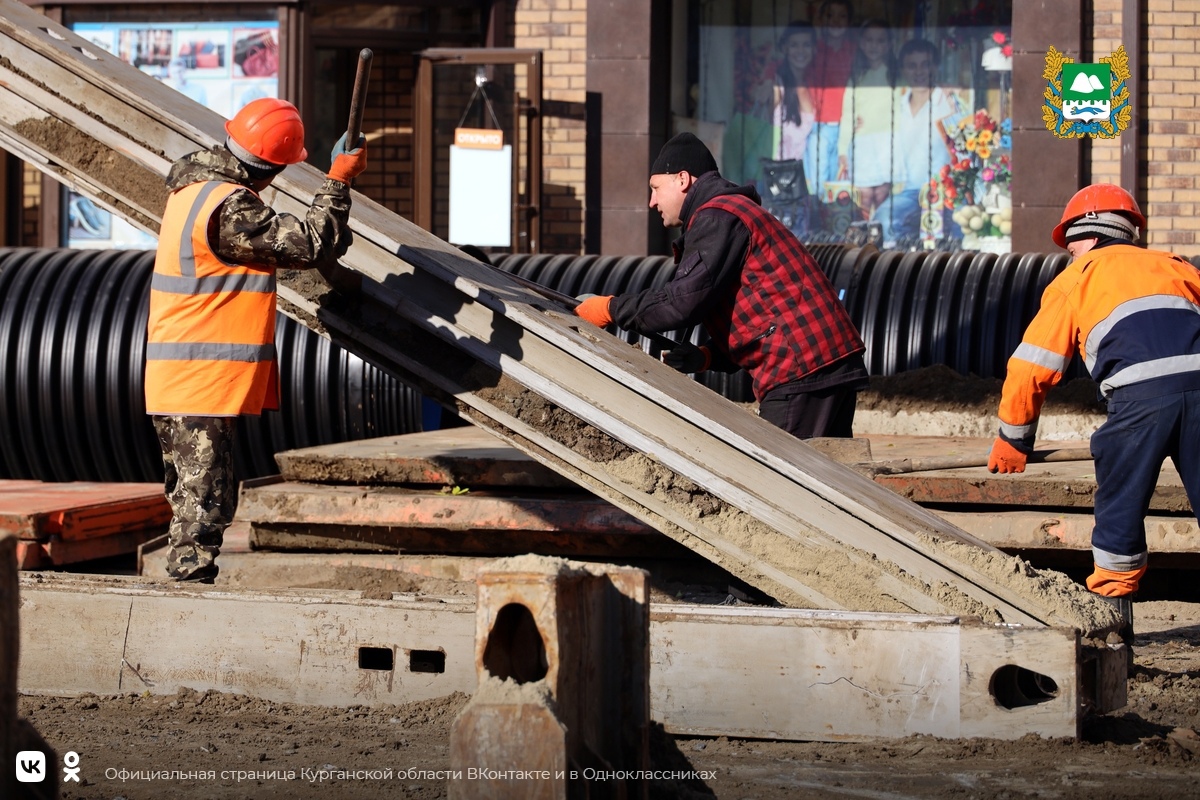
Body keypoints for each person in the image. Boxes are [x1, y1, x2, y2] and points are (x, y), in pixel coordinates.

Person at [144, 97, 367, 583]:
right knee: (201, 510)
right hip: (199, 380)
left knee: (195, 500)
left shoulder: (194, 192)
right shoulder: (229, 207)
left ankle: (187, 599)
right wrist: (339, 179)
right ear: (272, 168)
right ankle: (187, 612)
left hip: (182, 378)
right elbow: (308, 243)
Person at [987, 184, 1200, 664]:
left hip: (1139, 403)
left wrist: (1013, 439)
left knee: (1119, 517)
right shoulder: (1176, 265)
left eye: (1070, 242)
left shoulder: (1077, 276)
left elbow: (1030, 368)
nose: (1068, 251)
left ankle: (1112, 636)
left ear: (1087, 235)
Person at [574, 132, 868, 439]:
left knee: (782, 481)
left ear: (683, 180)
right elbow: (763, 305)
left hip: (798, 371)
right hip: (821, 364)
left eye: (655, 188)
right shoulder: (732, 212)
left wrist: (609, 308)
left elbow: (682, 300)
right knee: (824, 481)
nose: (652, 201)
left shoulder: (716, 217)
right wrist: (707, 356)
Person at [873, 38, 957, 247]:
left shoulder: (949, 103)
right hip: (909, 192)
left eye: (925, 64)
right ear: (902, 69)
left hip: (947, 190)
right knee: (884, 218)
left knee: (961, 227)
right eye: (912, 65)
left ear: (935, 66)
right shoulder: (896, 107)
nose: (919, 71)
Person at [836, 20, 896, 218]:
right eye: (869, 40)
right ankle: (863, 238)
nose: (874, 46)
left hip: (887, 142)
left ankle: (880, 238)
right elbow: (847, 114)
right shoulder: (857, 77)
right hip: (862, 143)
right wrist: (843, 149)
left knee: (881, 194)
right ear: (861, 43)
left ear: (888, 44)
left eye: (880, 41)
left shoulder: (894, 75)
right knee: (864, 196)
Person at [808, 0, 855, 201]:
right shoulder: (811, 50)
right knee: (817, 182)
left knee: (841, 183)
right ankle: (816, 226)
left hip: (846, 127)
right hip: (817, 125)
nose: (835, 21)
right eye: (830, 16)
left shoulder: (854, 51)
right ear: (820, 20)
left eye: (841, 16)